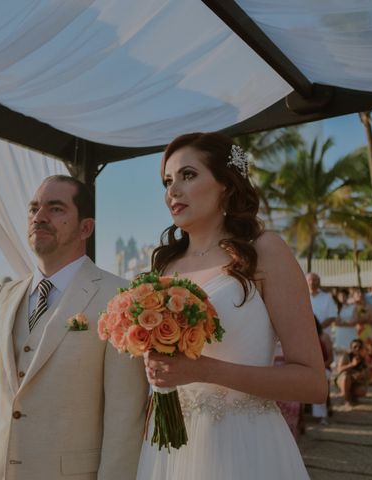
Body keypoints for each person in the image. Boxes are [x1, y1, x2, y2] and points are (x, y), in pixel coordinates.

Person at [137, 133, 326, 479]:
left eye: (188, 175)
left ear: (225, 183)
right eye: (167, 181)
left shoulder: (265, 251)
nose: (172, 191)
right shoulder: (164, 266)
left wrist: (203, 370)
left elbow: (313, 384)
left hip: (244, 446)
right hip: (170, 449)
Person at [0, 175, 148, 480]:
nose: (39, 217)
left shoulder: (120, 297)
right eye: (34, 208)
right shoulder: (7, 295)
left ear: (85, 227)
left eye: (56, 209)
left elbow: (125, 418)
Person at [351, 288, 372, 384]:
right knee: (359, 353)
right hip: (357, 332)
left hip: (368, 332)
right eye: (357, 293)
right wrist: (363, 319)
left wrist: (363, 319)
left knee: (370, 353)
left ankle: (371, 378)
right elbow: (354, 319)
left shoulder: (369, 306)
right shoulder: (353, 306)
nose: (359, 295)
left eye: (361, 293)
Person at [335, 339, 369, 407]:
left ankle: (353, 397)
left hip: (355, 381)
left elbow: (366, 374)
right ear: (351, 348)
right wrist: (352, 365)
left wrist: (361, 375)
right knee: (346, 377)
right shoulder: (346, 356)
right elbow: (339, 370)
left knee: (362, 390)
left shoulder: (363, 358)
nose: (357, 349)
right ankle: (347, 399)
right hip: (343, 380)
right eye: (355, 347)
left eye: (359, 347)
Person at [332, 289, 357, 355]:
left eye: (344, 296)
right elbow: (336, 323)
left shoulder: (353, 307)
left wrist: (342, 323)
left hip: (351, 334)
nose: (342, 298)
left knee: (352, 352)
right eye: (340, 296)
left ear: (347, 296)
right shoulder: (335, 308)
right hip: (340, 334)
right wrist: (348, 322)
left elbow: (354, 323)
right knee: (340, 353)